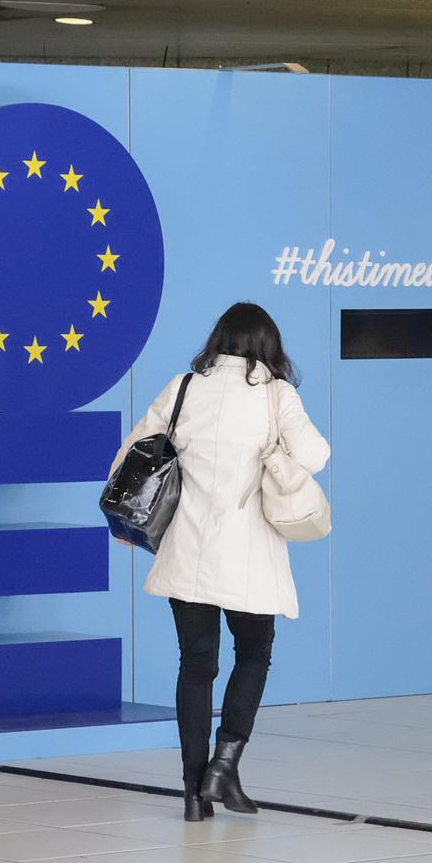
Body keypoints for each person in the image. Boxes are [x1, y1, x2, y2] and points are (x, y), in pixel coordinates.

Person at [111, 302, 330, 821]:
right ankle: (224, 764)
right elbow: (317, 457)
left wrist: (126, 525)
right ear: (268, 345)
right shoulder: (278, 395)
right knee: (254, 654)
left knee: (196, 666)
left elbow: (130, 457)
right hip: (249, 556)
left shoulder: (184, 387)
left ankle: (193, 792)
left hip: (186, 552)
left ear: (219, 340)